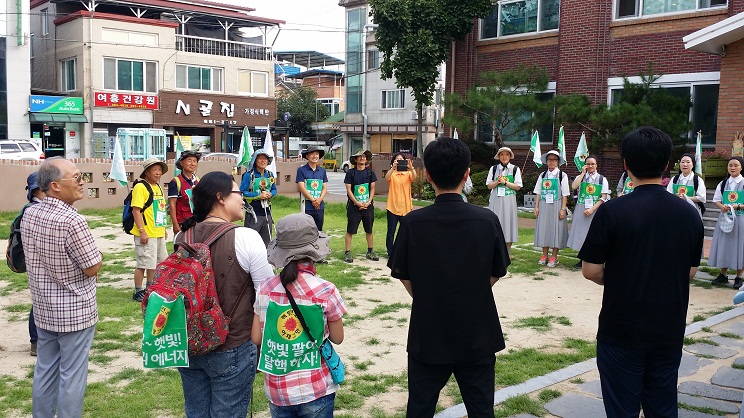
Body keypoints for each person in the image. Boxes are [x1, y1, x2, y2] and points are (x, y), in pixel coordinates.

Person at [579, 126, 704, 418]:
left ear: (626, 165)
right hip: (668, 328)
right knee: (662, 405)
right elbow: (690, 272)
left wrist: (626, 279)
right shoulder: (689, 214)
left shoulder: (613, 211)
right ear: (666, 166)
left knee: (621, 408)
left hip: (621, 328)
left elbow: (591, 270)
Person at [388, 137, 510, 417]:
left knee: (420, 407)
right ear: (466, 173)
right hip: (477, 331)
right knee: (481, 409)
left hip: (428, 330)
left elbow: (403, 274)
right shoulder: (487, 220)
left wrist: (430, 295)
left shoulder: (412, 223)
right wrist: (473, 291)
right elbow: (497, 270)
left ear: (428, 175)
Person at [177, 171, 274, 418]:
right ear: (221, 198)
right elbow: (267, 293)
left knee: (196, 412)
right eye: (238, 193)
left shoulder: (182, 236)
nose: (243, 199)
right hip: (232, 345)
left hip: (189, 342)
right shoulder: (246, 236)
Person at [21, 158, 103, 418]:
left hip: (44, 308)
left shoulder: (30, 212)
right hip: (75, 311)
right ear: (55, 185)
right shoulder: (72, 220)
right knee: (72, 375)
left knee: (45, 369)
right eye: (77, 178)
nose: (82, 182)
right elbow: (92, 266)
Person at [252, 213, 346, 417]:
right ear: (314, 251)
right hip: (316, 388)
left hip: (278, 392)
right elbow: (338, 338)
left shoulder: (265, 289)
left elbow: (256, 337)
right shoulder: (325, 290)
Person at [131, 158, 169, 302]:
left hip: (157, 232)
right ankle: (138, 291)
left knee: (155, 263)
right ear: (147, 172)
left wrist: (163, 229)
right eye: (155, 170)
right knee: (143, 263)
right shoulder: (141, 187)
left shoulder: (157, 187)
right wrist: (142, 231)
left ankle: (150, 288)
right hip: (146, 233)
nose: (158, 173)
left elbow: (159, 209)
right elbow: (136, 210)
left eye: (160, 170)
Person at [566, 156, 609, 269]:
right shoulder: (581, 177)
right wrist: (582, 173)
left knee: (594, 233)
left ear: (596, 165)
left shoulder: (602, 179)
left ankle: (593, 258)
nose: (590, 166)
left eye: (592, 164)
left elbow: (603, 197)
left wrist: (592, 209)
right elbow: (574, 186)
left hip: (595, 210)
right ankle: (582, 259)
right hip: (581, 207)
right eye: (588, 164)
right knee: (581, 233)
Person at [709, 156, 744, 288]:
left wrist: (738, 206)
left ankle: (739, 277)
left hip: (741, 218)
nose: (733, 168)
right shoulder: (723, 183)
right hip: (725, 217)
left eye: (736, 165)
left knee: (740, 245)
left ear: (741, 167)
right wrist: (721, 206)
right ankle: (723, 274)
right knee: (724, 244)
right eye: (730, 165)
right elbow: (716, 199)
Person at [533, 150, 570, 268]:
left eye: (554, 160)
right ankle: (544, 255)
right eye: (549, 160)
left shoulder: (562, 175)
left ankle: (554, 256)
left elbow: (565, 194)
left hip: (557, 205)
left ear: (558, 162)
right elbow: (538, 192)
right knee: (544, 229)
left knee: (556, 230)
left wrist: (563, 209)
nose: (551, 162)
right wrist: (536, 207)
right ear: (546, 161)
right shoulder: (542, 175)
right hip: (544, 205)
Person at [486, 147, 523, 256]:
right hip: (496, 199)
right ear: (499, 156)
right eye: (502, 154)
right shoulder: (493, 169)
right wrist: (497, 181)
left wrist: (505, 182)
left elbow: (518, 186)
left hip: (509, 200)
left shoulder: (515, 169)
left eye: (507, 154)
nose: (504, 157)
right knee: (495, 222)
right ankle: (495, 251)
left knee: (509, 223)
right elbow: (489, 185)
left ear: (510, 156)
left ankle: (507, 252)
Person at [343, 149, 379, 263]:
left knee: (369, 230)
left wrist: (368, 202)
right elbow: (349, 190)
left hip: (368, 206)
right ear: (355, 159)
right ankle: (347, 252)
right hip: (354, 207)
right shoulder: (350, 173)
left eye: (364, 156)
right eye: (360, 156)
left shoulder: (370, 173)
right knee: (350, 230)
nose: (362, 158)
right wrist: (357, 202)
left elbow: (372, 188)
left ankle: (370, 251)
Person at [240, 148, 277, 246]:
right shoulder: (248, 175)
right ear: (255, 160)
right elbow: (242, 192)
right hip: (253, 213)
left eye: (265, 158)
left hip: (267, 212)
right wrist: (258, 196)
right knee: (251, 241)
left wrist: (271, 194)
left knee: (267, 240)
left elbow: (274, 189)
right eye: (260, 158)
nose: (263, 161)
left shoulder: (270, 175)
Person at [385, 153, 416, 258]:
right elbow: (386, 177)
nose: (399, 161)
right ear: (393, 161)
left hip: (405, 208)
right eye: (397, 159)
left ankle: (404, 251)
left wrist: (411, 168)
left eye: (401, 159)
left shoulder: (408, 174)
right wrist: (393, 168)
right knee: (391, 232)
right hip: (393, 207)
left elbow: (414, 177)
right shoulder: (392, 174)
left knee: (405, 232)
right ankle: (390, 252)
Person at [168, 150, 201, 235]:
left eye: (195, 161)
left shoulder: (198, 181)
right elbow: (172, 204)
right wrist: (175, 225)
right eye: (189, 160)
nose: (192, 164)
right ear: (182, 163)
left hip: (197, 223)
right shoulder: (175, 182)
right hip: (183, 224)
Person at [296, 147, 329, 231]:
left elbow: (324, 187)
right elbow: (301, 187)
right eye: (312, 154)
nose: (315, 156)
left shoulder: (322, 171)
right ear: (307, 156)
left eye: (317, 154)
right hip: (306, 205)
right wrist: (313, 200)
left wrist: (319, 200)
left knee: (319, 229)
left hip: (319, 205)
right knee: (306, 229)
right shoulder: (301, 170)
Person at [667, 153, 707, 218]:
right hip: (676, 211)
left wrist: (686, 198)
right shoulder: (674, 179)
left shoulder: (697, 180)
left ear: (693, 164)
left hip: (693, 212)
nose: (685, 164)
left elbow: (702, 197)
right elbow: (668, 194)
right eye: (682, 162)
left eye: (688, 162)